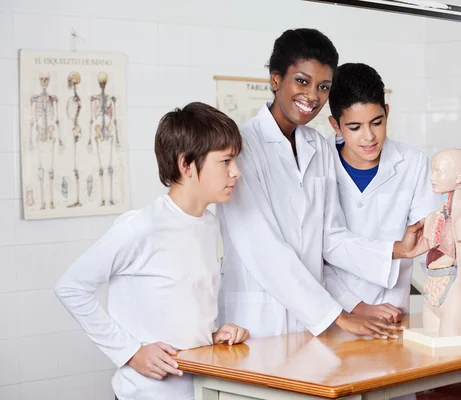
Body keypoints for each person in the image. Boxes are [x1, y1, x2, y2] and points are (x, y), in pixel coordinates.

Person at [216, 28, 428, 341]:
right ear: (275, 79)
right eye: (302, 81)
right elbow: (262, 248)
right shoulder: (242, 146)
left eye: (323, 86)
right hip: (257, 320)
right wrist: (338, 315)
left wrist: (398, 249)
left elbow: (331, 238)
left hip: (308, 323)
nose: (313, 96)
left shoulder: (316, 146)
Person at [54, 102, 250, 400]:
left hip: (199, 390)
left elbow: (182, 304)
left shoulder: (210, 225)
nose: (236, 172)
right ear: (186, 165)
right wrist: (130, 352)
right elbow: (70, 287)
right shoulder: (140, 226)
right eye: (225, 161)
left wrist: (213, 334)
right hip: (143, 394)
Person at [324, 62, 461, 333]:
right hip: (332, 314)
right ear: (335, 125)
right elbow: (316, 250)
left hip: (394, 316)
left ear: (387, 112)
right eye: (355, 127)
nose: (369, 136)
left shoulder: (412, 163)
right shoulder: (318, 164)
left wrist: (457, 309)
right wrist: (354, 305)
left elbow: (433, 247)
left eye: (377, 122)